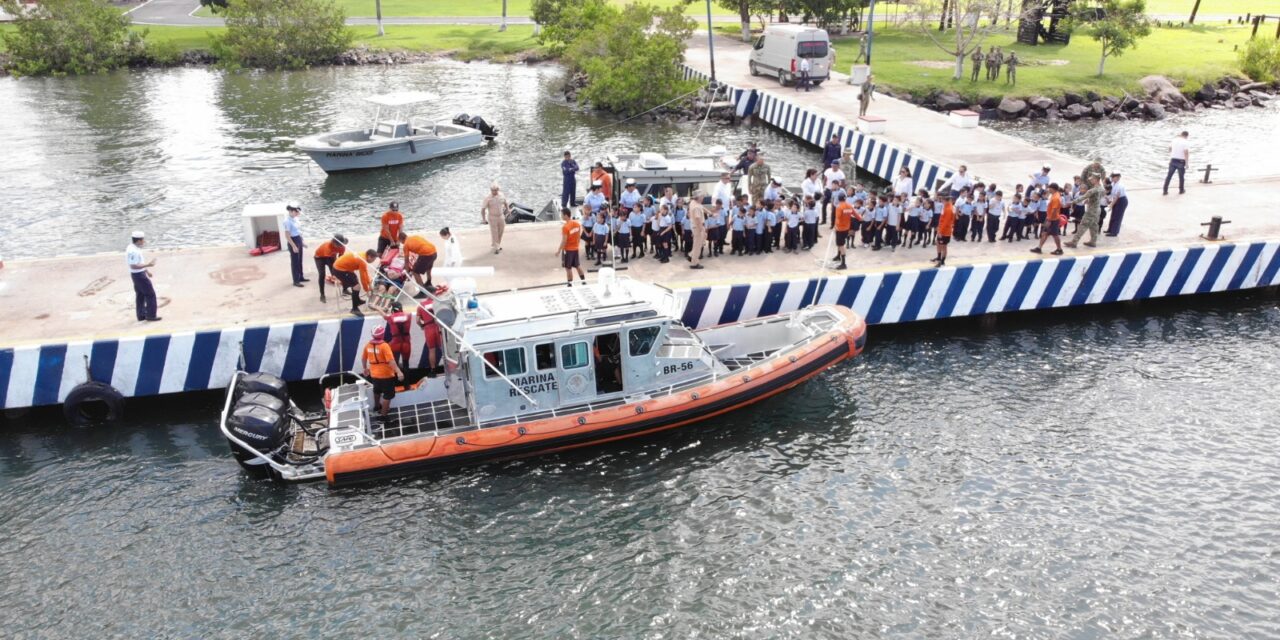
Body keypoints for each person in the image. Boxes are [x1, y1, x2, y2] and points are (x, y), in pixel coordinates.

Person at [362, 325, 404, 418]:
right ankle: (383, 416)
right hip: (386, 375)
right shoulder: (384, 346)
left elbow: (363, 358)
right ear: (382, 334)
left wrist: (365, 368)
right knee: (388, 395)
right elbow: (391, 361)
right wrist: (399, 372)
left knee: (376, 391)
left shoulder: (368, 345)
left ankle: (377, 407)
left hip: (374, 374)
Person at [125, 231, 161, 322]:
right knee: (150, 294)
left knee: (140, 295)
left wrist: (147, 271)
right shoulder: (133, 251)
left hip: (137, 274)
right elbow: (133, 265)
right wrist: (148, 265)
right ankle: (151, 315)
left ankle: (141, 315)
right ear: (139, 241)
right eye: (143, 240)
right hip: (139, 275)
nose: (144, 242)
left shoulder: (132, 247)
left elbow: (139, 262)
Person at [1065, 176, 1105, 249]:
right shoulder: (1101, 188)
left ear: (1096, 180)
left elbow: (1082, 198)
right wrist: (1090, 200)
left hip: (1091, 210)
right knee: (1094, 226)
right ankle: (1093, 241)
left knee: (1083, 225)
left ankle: (1074, 242)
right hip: (1097, 209)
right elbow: (1100, 197)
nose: (1090, 181)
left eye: (1092, 179)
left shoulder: (1092, 190)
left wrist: (1072, 202)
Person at [334, 248, 377, 316]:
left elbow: (365, 272)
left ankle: (358, 301)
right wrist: (367, 290)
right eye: (373, 260)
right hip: (339, 270)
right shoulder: (362, 260)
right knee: (357, 287)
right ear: (369, 256)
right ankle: (354, 309)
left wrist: (369, 284)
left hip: (346, 268)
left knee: (355, 281)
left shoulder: (364, 255)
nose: (373, 261)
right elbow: (363, 277)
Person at [399, 232, 437, 297]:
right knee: (428, 267)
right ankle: (429, 283)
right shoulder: (414, 236)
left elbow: (406, 260)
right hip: (434, 252)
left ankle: (423, 292)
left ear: (401, 240)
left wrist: (407, 272)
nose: (401, 243)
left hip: (426, 254)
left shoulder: (406, 245)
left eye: (400, 241)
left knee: (415, 272)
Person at [1031, 183, 1065, 255]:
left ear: (1053, 189)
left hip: (1053, 219)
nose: (1048, 189)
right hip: (1050, 218)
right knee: (1044, 233)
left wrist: (1049, 220)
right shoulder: (1055, 195)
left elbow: (1054, 210)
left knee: (1055, 235)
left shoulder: (1056, 197)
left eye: (1049, 188)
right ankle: (1039, 248)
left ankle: (1059, 249)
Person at [313, 233, 347, 304]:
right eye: (338, 245)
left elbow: (340, 258)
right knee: (322, 274)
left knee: (339, 272)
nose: (340, 247)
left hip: (331, 256)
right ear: (333, 242)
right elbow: (329, 260)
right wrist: (334, 276)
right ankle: (322, 295)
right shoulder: (327, 246)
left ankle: (345, 289)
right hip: (320, 258)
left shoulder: (342, 246)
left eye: (341, 245)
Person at [557, 208, 586, 286]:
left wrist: (559, 250)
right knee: (577, 265)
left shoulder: (565, 227)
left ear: (566, 215)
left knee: (568, 268)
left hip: (568, 250)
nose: (561, 216)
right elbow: (578, 236)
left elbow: (564, 241)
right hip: (575, 248)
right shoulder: (577, 224)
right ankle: (583, 281)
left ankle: (570, 284)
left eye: (562, 214)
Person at [383, 301, 414, 373]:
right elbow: (405, 313)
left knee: (393, 362)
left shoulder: (390, 317)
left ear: (393, 309)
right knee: (406, 364)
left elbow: (383, 315)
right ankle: (406, 384)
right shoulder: (408, 315)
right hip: (406, 344)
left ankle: (393, 381)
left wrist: (378, 308)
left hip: (394, 343)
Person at [480, 184, 509, 255]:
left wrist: (508, 209)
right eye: (493, 190)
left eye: (495, 190)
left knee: (501, 231)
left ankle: (496, 244)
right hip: (492, 217)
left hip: (501, 216)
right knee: (494, 233)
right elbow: (483, 209)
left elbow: (506, 203)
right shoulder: (487, 198)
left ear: (498, 190)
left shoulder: (501, 195)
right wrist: (484, 219)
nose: (494, 192)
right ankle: (497, 247)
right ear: (491, 190)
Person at [283, 202, 307, 288]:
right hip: (293, 240)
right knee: (295, 262)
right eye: (297, 212)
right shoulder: (287, 221)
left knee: (300, 260)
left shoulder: (295, 219)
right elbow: (287, 235)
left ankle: (301, 277)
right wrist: (293, 246)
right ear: (292, 211)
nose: (298, 213)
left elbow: (298, 231)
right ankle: (296, 280)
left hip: (298, 239)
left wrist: (302, 242)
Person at [933, 195, 956, 268]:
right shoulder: (946, 207)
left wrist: (940, 231)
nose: (941, 202)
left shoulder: (949, 209)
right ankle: (939, 257)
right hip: (942, 228)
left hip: (945, 231)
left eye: (942, 201)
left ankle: (942, 261)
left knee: (943, 246)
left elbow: (946, 222)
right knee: (938, 243)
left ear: (946, 201)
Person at [1164, 131, 1190, 196]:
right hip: (1181, 161)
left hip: (1173, 160)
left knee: (1169, 176)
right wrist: (1187, 163)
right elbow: (1186, 152)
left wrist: (1173, 154)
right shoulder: (1185, 142)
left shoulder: (1174, 140)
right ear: (1186, 136)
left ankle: (1165, 190)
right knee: (1181, 177)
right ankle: (1181, 190)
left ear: (1181, 134)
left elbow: (1169, 149)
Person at [831, 194, 853, 270]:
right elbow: (856, 215)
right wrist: (860, 219)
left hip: (840, 229)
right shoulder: (849, 206)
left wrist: (835, 226)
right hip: (846, 228)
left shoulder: (839, 207)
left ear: (838, 199)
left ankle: (843, 263)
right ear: (845, 199)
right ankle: (838, 256)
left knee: (841, 245)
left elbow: (837, 218)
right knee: (840, 243)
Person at [687, 192, 708, 270]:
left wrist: (710, 213)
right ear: (699, 197)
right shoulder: (696, 207)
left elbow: (702, 207)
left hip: (694, 226)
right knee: (697, 246)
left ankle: (691, 255)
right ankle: (694, 263)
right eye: (702, 196)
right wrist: (702, 230)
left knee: (697, 244)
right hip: (698, 227)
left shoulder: (693, 202)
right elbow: (698, 219)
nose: (703, 198)